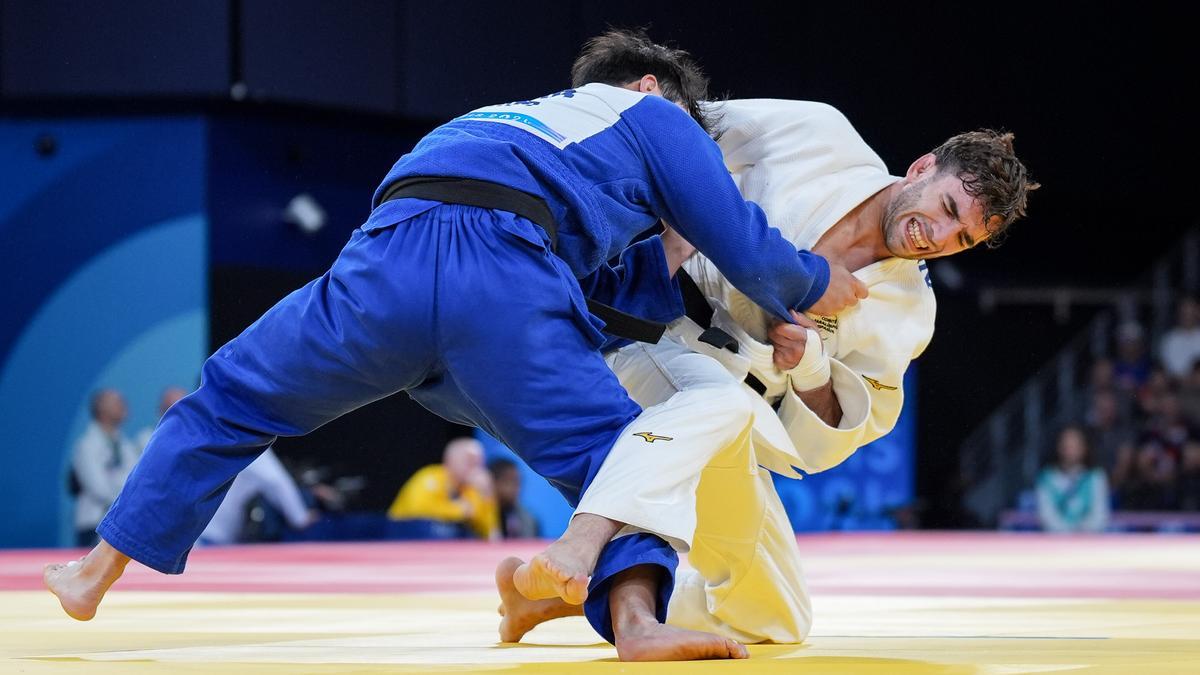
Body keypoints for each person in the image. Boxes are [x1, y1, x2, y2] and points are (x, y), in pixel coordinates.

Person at [44, 29, 865, 661]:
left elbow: (599, 292)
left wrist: (666, 266)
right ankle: (637, 625)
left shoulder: (514, 121)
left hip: (383, 266)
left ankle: (95, 572)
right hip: (496, 279)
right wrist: (813, 279)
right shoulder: (655, 116)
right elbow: (750, 249)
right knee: (623, 455)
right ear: (650, 87)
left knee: (228, 394)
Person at [498, 97, 1035, 645]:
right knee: (716, 403)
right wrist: (668, 227)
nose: (939, 237)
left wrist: (809, 367)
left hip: (736, 415)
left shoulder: (909, 314)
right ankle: (586, 552)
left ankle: (547, 600)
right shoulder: (819, 136)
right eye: (946, 209)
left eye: (962, 239)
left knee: (777, 617)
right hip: (655, 335)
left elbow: (842, 427)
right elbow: (670, 128)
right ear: (922, 167)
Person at [198, 447, 316, 545]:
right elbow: (276, 482)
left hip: (199, 531)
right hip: (212, 535)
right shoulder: (249, 441)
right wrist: (300, 518)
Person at [388, 437, 498, 540]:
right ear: (450, 460)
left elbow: (488, 532)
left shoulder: (472, 489)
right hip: (403, 537)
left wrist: (487, 494)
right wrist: (459, 511)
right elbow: (418, 510)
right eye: (469, 461)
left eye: (478, 462)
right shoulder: (429, 477)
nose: (475, 467)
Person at [70, 390, 140, 547]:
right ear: (100, 408)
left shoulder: (126, 445)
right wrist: (125, 492)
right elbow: (99, 488)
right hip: (93, 524)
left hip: (123, 525)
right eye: (116, 402)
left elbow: (136, 482)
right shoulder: (86, 445)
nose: (123, 405)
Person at [1036, 426, 1110, 532]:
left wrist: (1081, 533)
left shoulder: (1096, 477)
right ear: (1059, 447)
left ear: (1084, 447)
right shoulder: (1046, 478)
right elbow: (1047, 516)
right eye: (1067, 444)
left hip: (1090, 542)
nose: (1071, 449)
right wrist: (1066, 533)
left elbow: (1100, 516)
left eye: (1075, 445)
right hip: (1055, 542)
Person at [489, 458, 539, 538]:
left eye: (518, 482)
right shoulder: (478, 515)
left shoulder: (529, 520)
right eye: (509, 481)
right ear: (493, 482)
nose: (516, 488)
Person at [134, 387, 188, 452]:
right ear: (160, 410)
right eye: (169, 409)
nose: (176, 415)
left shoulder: (196, 438)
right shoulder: (145, 439)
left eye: (181, 410)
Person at [1159, 297, 1200, 380]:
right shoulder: (1169, 339)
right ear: (1178, 313)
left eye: (1191, 311)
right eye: (1184, 311)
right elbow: (1165, 371)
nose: (1188, 315)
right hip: (1175, 388)